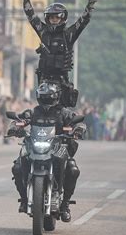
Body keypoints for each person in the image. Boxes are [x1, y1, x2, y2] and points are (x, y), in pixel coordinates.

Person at [8, 81, 86, 222]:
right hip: (35, 147)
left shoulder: (64, 113)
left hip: (57, 148)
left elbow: (78, 121)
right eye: (44, 97)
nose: (46, 100)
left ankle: (65, 204)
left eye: (49, 97)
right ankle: (24, 200)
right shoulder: (33, 112)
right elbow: (20, 120)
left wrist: (78, 129)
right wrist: (15, 127)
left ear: (56, 97)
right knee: (17, 167)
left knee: (73, 169)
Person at [20, 0, 99, 107]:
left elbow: (84, 20)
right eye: (52, 18)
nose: (54, 20)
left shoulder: (68, 35)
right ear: (47, 19)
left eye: (57, 18)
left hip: (61, 81)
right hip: (44, 80)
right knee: (41, 110)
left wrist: (92, 0)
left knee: (63, 113)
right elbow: (30, 15)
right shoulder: (43, 31)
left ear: (62, 18)